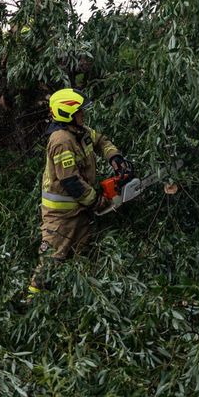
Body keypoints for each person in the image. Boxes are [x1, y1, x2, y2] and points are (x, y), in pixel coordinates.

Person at [26, 88, 129, 297]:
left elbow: (100, 141)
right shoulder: (62, 140)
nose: (84, 114)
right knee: (50, 263)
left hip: (79, 211)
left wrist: (115, 157)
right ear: (67, 113)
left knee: (81, 259)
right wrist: (97, 201)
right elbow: (71, 181)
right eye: (80, 111)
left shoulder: (79, 132)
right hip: (60, 218)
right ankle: (30, 303)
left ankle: (69, 300)